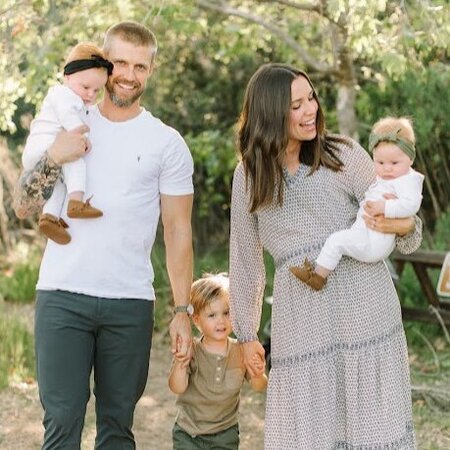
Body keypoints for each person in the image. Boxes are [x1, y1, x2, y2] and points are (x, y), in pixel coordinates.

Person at [14, 21, 194, 449]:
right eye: (119, 63)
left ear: (151, 70)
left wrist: (182, 308)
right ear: (102, 62)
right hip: (62, 295)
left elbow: (177, 229)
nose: (129, 75)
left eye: (140, 66)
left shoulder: (166, 142)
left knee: (117, 428)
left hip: (129, 303)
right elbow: (23, 206)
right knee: (61, 423)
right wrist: (56, 154)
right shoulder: (68, 116)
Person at [229, 63, 422, 449]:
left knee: (372, 425)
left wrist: (401, 226)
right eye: (296, 104)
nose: (311, 110)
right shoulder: (249, 175)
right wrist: (247, 334)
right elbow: (246, 259)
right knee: (310, 430)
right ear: (270, 113)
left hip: (365, 304)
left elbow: (405, 227)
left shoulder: (342, 153)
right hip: (301, 315)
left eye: (311, 98)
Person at [290, 116, 424, 290]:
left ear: (410, 159)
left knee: (336, 241)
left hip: (376, 240)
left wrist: (385, 207)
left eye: (394, 163)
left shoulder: (407, 180)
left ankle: (318, 277)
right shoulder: (388, 176)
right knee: (337, 241)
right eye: (380, 162)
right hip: (367, 233)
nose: (387, 168)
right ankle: (317, 274)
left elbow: (411, 205)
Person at [22, 42, 113, 244]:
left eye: (97, 90)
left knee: (61, 182)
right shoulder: (63, 94)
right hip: (44, 147)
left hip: (40, 152)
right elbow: (68, 116)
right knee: (76, 162)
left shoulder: (78, 100)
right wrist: (83, 137)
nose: (91, 94)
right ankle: (76, 204)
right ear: (67, 77)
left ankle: (49, 218)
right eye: (86, 87)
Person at [168, 273, 267, 450]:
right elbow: (177, 387)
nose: (221, 320)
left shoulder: (240, 350)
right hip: (189, 432)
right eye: (212, 315)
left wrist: (258, 373)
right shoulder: (192, 350)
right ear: (197, 319)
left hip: (225, 434)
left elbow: (259, 386)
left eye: (226, 313)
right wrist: (180, 365)